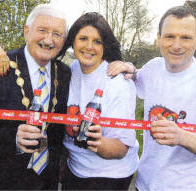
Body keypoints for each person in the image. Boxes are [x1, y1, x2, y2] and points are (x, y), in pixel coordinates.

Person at [109, 6, 196, 191]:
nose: (176, 45)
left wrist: (182, 137)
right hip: (144, 185)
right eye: (170, 36)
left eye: (186, 37)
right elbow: (136, 76)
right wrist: (128, 67)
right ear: (159, 39)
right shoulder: (153, 67)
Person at [0, 4, 71, 190]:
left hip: (43, 183)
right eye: (42, 30)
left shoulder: (66, 73)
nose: (48, 40)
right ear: (26, 32)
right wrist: (14, 139)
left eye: (57, 34)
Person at [56, 12, 139, 190]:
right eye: (83, 38)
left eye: (97, 41)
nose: (89, 47)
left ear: (105, 46)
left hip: (109, 175)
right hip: (75, 169)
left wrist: (96, 141)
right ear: (73, 41)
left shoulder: (118, 81)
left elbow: (121, 148)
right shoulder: (72, 69)